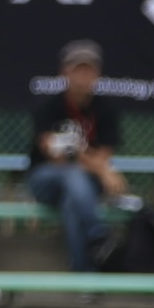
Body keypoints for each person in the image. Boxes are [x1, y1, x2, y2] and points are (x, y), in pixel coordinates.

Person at [27, 40, 124, 271]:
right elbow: (54, 155)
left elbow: (104, 155)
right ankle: (97, 231)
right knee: (71, 174)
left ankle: (85, 276)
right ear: (65, 72)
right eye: (77, 69)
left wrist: (80, 154)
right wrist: (102, 169)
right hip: (45, 179)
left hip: (84, 186)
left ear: (97, 73)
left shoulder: (106, 110)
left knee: (73, 202)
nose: (83, 75)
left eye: (88, 69)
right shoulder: (48, 107)